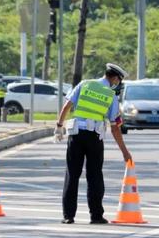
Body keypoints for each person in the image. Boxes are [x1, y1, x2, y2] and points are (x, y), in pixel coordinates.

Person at [55, 63, 133, 224]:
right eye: (118, 80)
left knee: (72, 174)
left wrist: (59, 126)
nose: (118, 83)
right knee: (95, 176)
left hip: (76, 135)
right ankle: (96, 215)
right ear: (113, 77)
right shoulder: (111, 96)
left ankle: (68, 216)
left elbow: (67, 105)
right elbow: (115, 127)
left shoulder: (85, 84)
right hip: (94, 138)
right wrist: (124, 151)